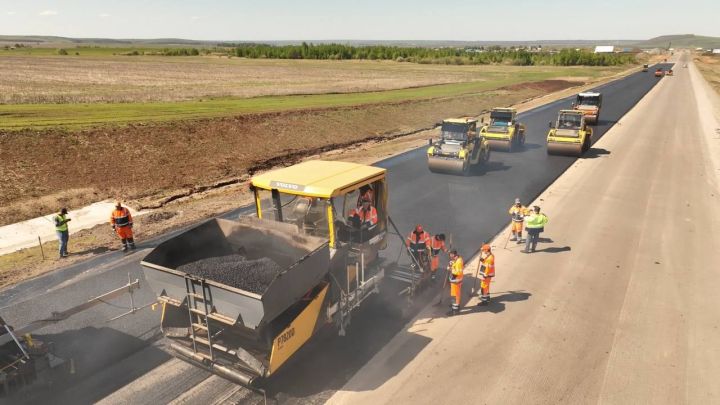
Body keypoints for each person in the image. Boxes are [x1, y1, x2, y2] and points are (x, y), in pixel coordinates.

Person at [447, 250, 464, 316]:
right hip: (455, 280)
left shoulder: (459, 262)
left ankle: (455, 310)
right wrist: (452, 263)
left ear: (454, 255)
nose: (450, 257)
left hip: (456, 281)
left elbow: (458, 272)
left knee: (455, 295)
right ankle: (456, 306)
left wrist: (450, 269)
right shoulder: (457, 260)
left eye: (451, 255)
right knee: (457, 294)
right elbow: (455, 265)